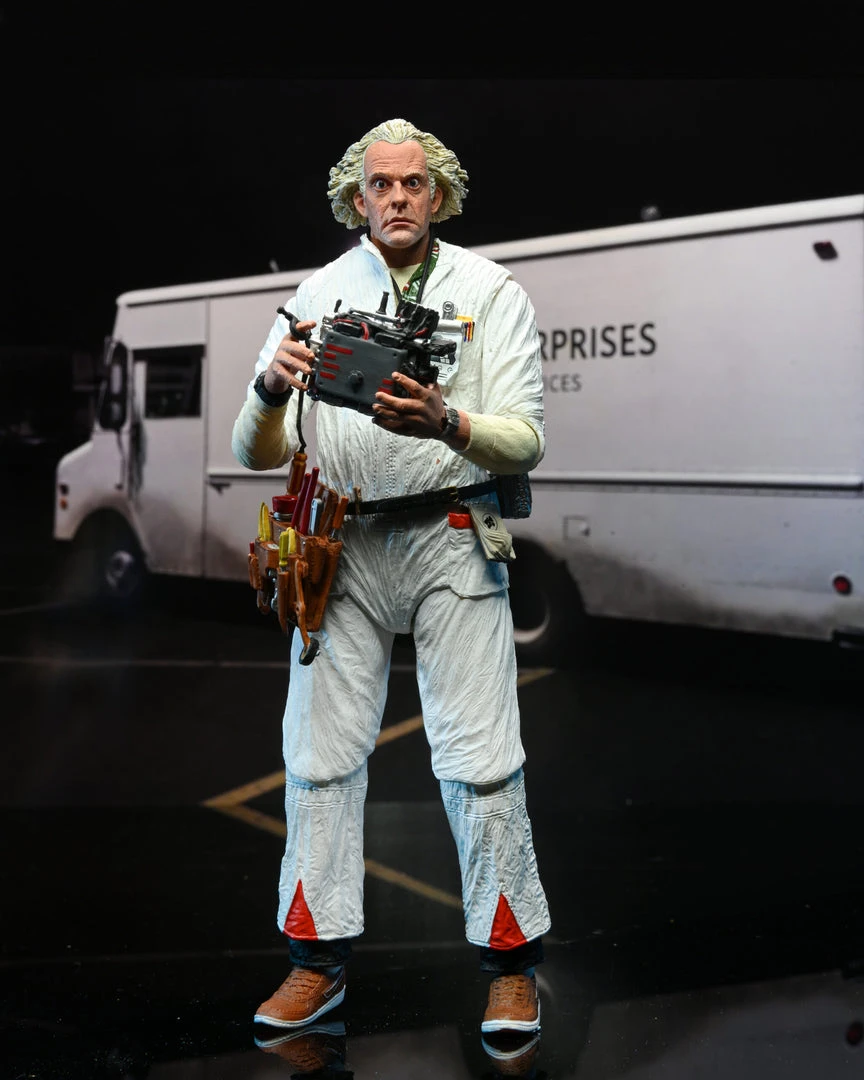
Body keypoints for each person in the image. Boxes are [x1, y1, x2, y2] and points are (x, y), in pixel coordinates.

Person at [232, 117, 551, 1036]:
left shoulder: (491, 290)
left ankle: (511, 965)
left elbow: (526, 438)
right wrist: (270, 387)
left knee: (482, 757)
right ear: (356, 197)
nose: (398, 197)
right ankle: (315, 961)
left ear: (438, 193)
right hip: (342, 541)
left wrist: (449, 422)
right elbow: (253, 450)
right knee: (318, 756)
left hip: (453, 532)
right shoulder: (317, 293)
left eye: (414, 183)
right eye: (381, 184)